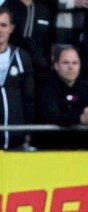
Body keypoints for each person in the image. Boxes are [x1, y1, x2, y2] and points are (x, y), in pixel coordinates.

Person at [0, 7, 35, 150]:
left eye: (3, 25)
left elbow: (29, 98)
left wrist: (28, 131)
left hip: (16, 142)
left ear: (11, 28)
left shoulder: (21, 57)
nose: (0, 30)